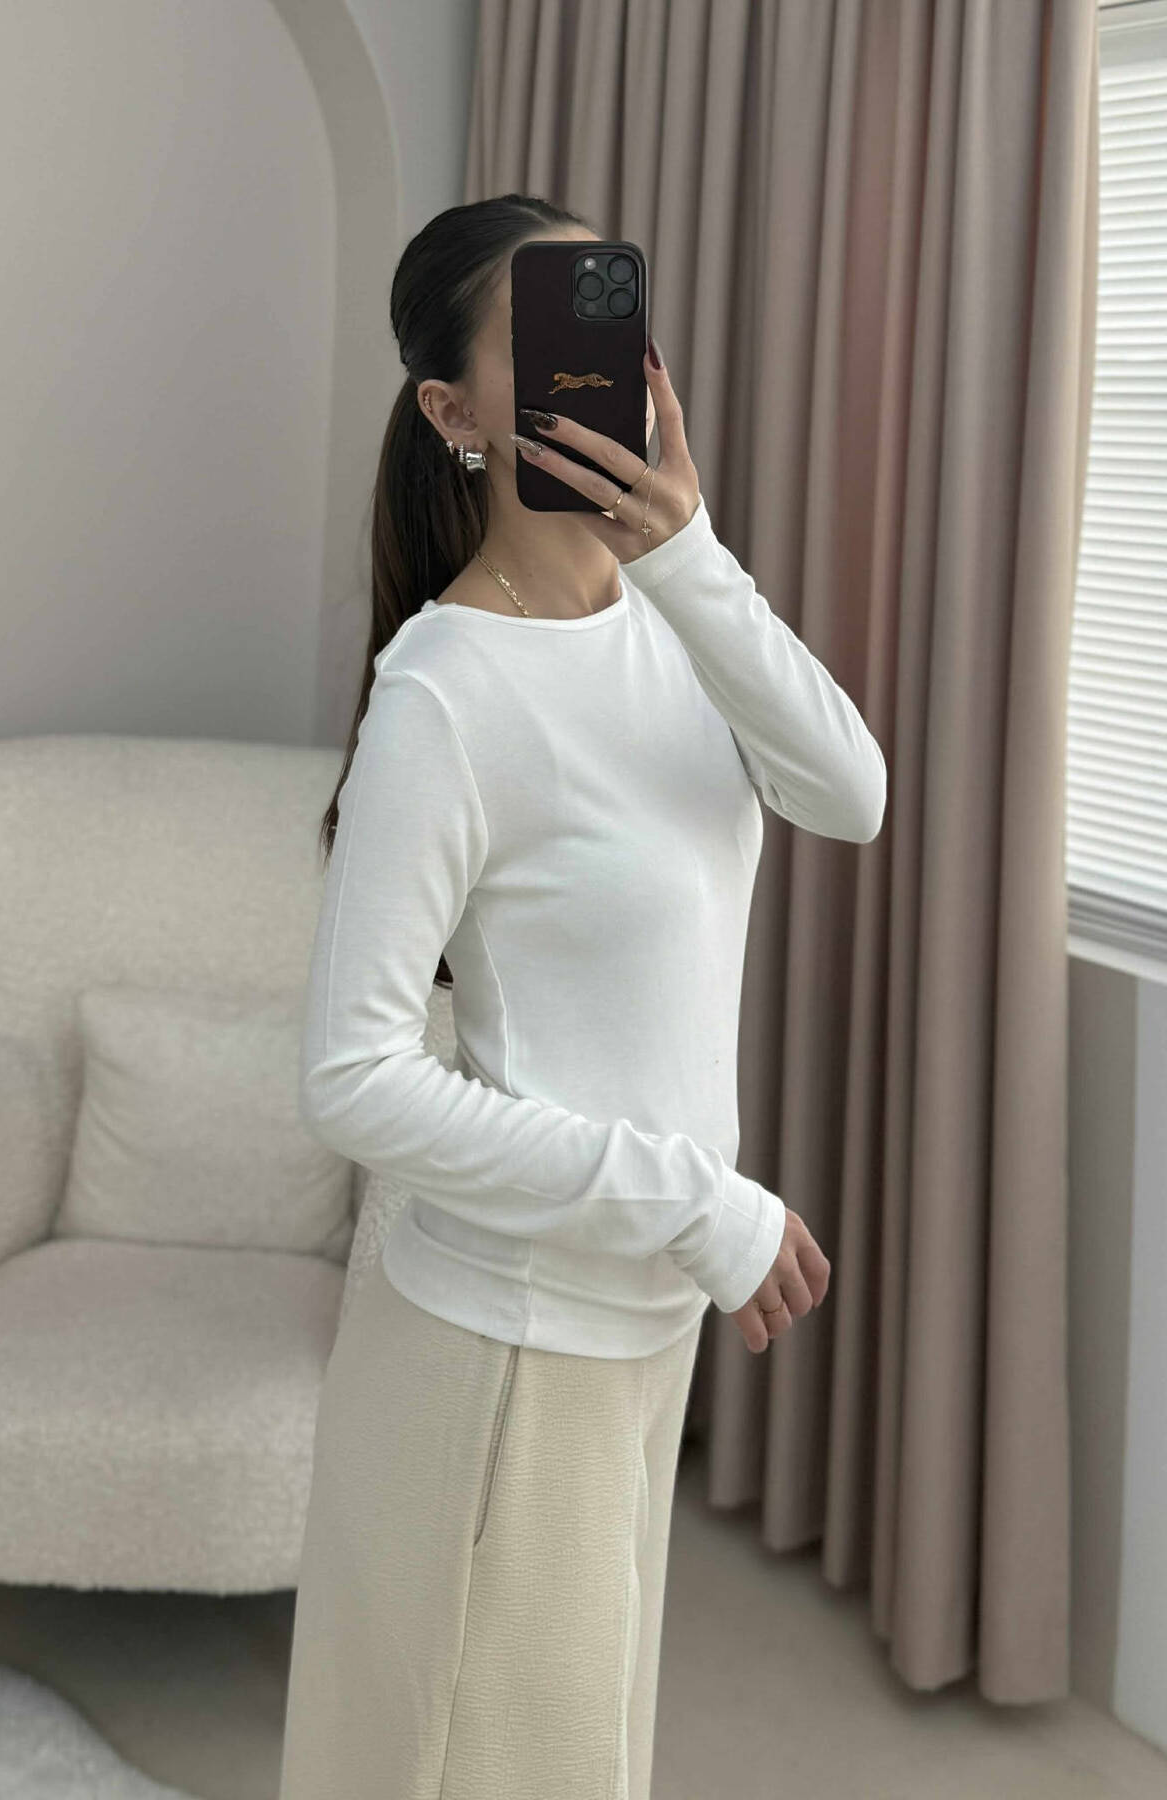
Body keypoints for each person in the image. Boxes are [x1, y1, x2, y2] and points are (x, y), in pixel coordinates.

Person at [278, 193, 882, 1800]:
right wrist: (695, 1201)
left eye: (610, 325)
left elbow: (852, 791)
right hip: (503, 1341)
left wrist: (686, 553)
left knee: (584, 1761)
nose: (599, 372)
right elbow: (350, 1077)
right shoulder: (444, 695)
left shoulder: (678, 627)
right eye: (546, 341)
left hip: (634, 1321)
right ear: (453, 413)